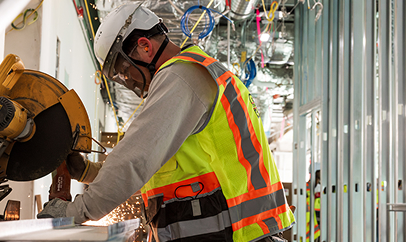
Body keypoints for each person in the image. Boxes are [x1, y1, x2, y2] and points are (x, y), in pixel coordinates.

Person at [38, 3, 295, 241]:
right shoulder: (189, 76)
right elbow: (162, 170)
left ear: (144, 46)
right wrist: (88, 173)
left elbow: (135, 159)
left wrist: (74, 211)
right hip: (235, 231)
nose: (129, 82)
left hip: (233, 232)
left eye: (126, 71)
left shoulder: (181, 76)